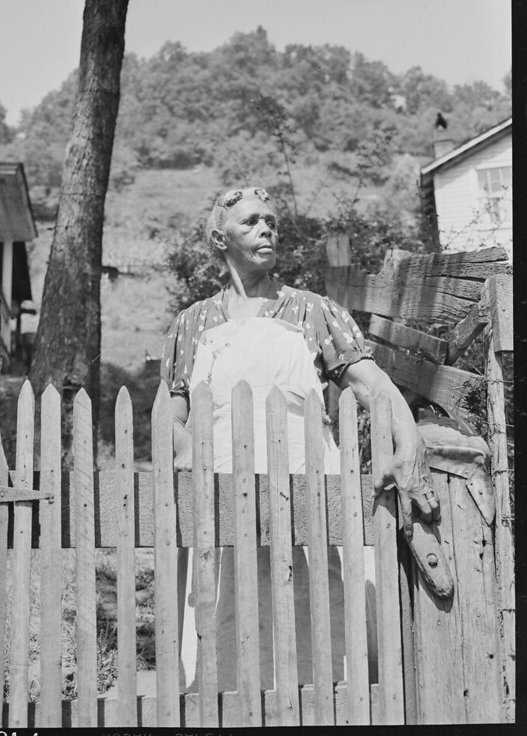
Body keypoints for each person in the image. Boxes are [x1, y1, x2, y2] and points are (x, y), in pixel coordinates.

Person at [160, 186, 439, 692]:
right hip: (220, 486)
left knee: (315, 600)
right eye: (251, 222)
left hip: (304, 482)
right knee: (226, 605)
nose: (266, 228)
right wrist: (179, 443)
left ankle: (325, 709)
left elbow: (371, 384)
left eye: (271, 220)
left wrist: (409, 440)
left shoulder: (312, 311)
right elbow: (172, 408)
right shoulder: (192, 323)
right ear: (220, 239)